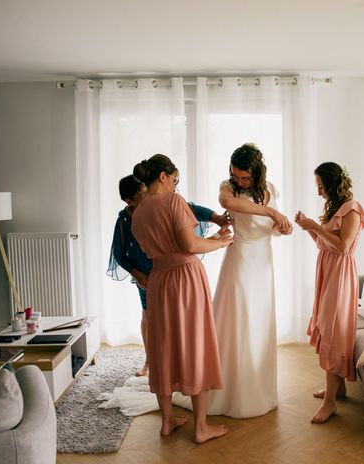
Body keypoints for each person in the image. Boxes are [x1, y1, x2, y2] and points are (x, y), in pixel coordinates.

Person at [131, 154, 232, 444]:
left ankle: (167, 422)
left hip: (159, 281)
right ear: (163, 176)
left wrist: (211, 239)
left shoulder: (137, 213)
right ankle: (201, 428)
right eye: (174, 179)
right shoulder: (174, 202)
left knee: (163, 346)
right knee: (195, 342)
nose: (176, 185)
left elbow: (168, 248)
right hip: (186, 279)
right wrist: (222, 241)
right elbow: (188, 246)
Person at [107, 174, 229, 377]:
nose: (145, 198)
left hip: (177, 269)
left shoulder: (164, 204)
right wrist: (137, 275)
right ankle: (151, 360)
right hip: (146, 276)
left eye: (146, 192)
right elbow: (119, 254)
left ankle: (185, 360)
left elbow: (191, 208)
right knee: (150, 316)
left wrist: (216, 218)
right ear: (128, 201)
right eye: (140, 197)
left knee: (181, 316)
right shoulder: (125, 220)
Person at [207, 142, 292, 418]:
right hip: (240, 260)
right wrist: (271, 212)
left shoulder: (270, 190)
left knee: (258, 323)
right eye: (236, 175)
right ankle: (228, 391)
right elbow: (228, 204)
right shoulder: (228, 188)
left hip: (263, 263)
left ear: (257, 173)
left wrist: (282, 226)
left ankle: (256, 390)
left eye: (245, 177)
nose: (239, 180)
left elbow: (272, 231)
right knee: (238, 320)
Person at [294, 162, 364, 424]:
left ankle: (330, 403)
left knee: (333, 330)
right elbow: (323, 243)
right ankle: (340, 388)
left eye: (321, 186)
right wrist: (309, 228)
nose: (319, 192)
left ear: (333, 183)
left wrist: (315, 226)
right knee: (327, 326)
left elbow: (344, 247)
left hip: (340, 274)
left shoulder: (352, 210)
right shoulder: (335, 209)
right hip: (327, 270)